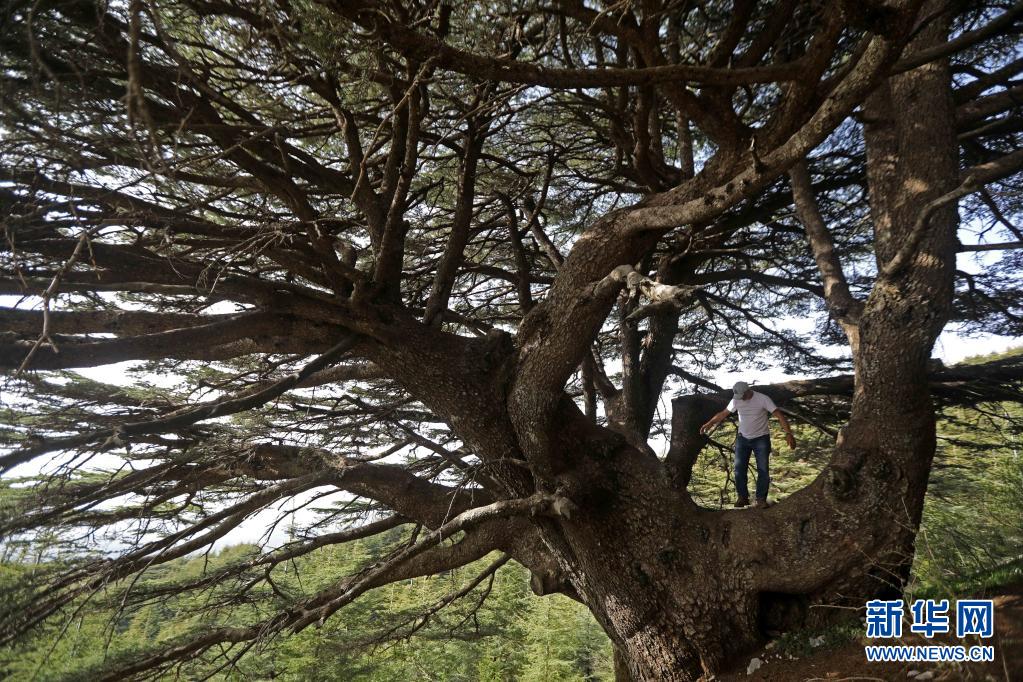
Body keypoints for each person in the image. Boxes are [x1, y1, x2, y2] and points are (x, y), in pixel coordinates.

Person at [698, 381, 796, 509]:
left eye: (742, 396)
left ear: (748, 391)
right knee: (739, 469)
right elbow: (723, 413)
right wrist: (710, 423)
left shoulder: (763, 399)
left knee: (763, 470)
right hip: (743, 439)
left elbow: (779, 415)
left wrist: (788, 433)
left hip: (761, 439)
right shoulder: (736, 400)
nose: (741, 399)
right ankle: (743, 498)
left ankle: (761, 500)